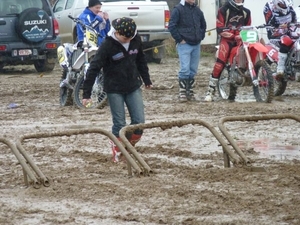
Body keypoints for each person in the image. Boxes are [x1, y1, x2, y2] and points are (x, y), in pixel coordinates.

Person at [82, 17, 153, 163]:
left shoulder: (135, 40)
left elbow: (141, 60)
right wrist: (86, 94)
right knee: (120, 123)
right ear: (117, 32)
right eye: (124, 37)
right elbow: (94, 68)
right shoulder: (107, 45)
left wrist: (146, 80)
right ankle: (118, 148)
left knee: (139, 122)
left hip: (133, 85)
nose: (127, 40)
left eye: (130, 37)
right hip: (114, 89)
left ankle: (128, 147)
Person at [204, 0, 251, 102]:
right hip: (227, 40)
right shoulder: (223, 10)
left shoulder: (247, 12)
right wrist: (233, 35)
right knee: (220, 63)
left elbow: (248, 27)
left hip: (241, 40)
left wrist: (245, 34)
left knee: (249, 54)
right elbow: (220, 28)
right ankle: (210, 91)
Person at [168, 0, 207, 102]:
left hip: (196, 43)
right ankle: (182, 92)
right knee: (185, 68)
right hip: (184, 44)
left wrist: (201, 36)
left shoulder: (198, 10)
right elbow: (171, 26)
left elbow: (203, 24)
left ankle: (190, 91)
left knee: (193, 69)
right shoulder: (178, 10)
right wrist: (179, 39)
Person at [263, 0, 297, 78]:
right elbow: (269, 25)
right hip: (275, 34)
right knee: (286, 40)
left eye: (285, 5)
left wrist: (291, 26)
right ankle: (280, 68)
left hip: (289, 31)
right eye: (282, 5)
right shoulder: (269, 7)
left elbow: (294, 21)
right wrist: (279, 27)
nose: (284, 7)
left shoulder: (290, 9)